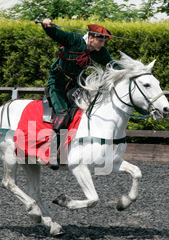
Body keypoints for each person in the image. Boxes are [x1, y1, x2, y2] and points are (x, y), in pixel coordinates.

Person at [41, 18, 118, 169]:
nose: (102, 45)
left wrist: (132, 69)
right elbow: (56, 33)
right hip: (57, 82)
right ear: (91, 38)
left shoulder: (100, 52)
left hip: (76, 84)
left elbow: (112, 63)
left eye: (103, 43)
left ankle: (81, 150)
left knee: (84, 112)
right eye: (100, 41)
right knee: (62, 115)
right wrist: (47, 25)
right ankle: (53, 155)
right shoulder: (74, 40)